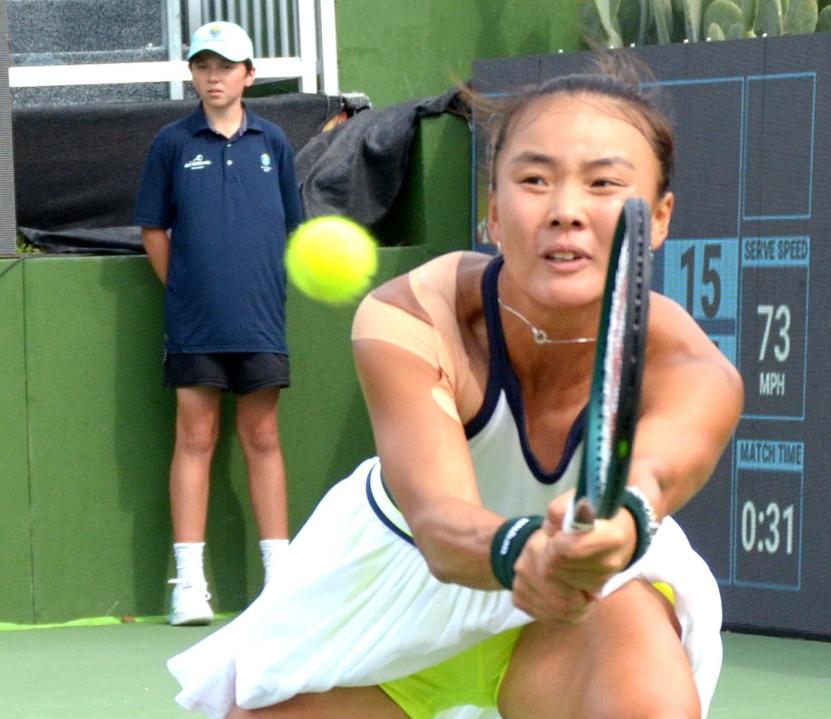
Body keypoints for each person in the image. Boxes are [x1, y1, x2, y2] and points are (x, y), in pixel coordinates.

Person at [167, 57, 743, 718]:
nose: (566, 211)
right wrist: (521, 548)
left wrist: (619, 526)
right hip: (386, 588)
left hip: (579, 615)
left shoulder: (695, 368)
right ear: (493, 214)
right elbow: (442, 522)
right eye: (534, 179)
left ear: (660, 217)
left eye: (604, 182)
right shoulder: (413, 317)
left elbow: (656, 473)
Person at [134, 20, 304, 626]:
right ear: (193, 74)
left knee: (262, 439)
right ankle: (189, 586)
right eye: (203, 66)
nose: (214, 76)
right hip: (194, 325)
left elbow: (290, 229)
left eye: (226, 66)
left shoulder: (274, 144)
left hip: (260, 321)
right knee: (195, 440)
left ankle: (280, 582)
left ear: (248, 76)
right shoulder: (171, 144)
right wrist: (182, 291)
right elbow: (155, 230)